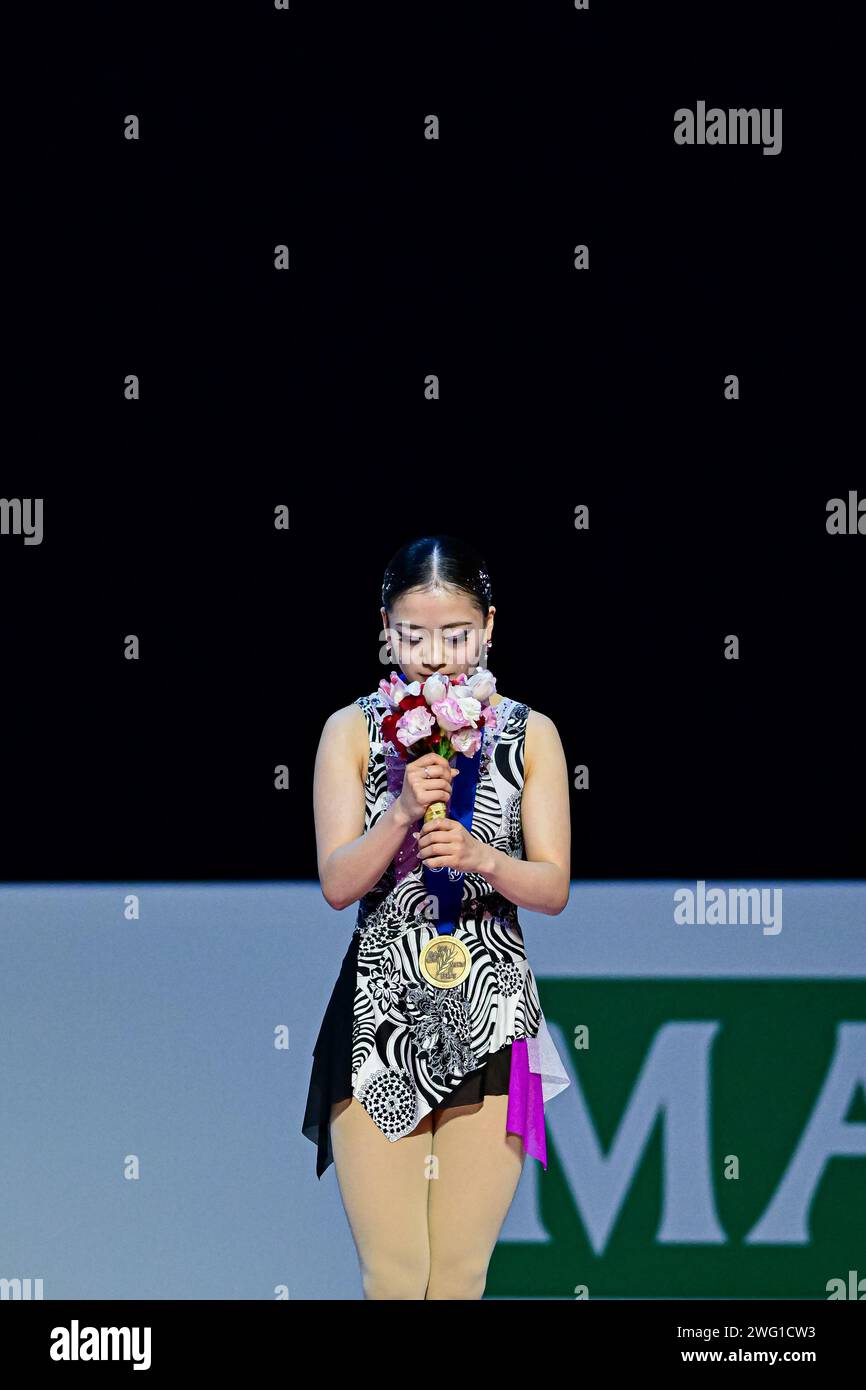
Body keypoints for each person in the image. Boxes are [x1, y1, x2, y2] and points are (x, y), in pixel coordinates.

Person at [302, 533, 571, 1299]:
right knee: (395, 1276)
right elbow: (336, 882)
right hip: (379, 1016)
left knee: (457, 1277)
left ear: (489, 626)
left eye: (456, 635)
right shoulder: (351, 732)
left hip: (493, 1013)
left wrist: (483, 856)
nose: (435, 656)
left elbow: (551, 886)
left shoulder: (531, 733)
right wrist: (397, 817)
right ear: (385, 629)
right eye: (413, 635)